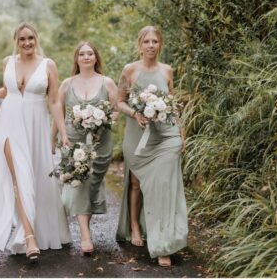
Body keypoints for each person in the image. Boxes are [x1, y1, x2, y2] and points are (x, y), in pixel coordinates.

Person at [0, 23, 71, 262]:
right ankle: (29, 237)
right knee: (19, 176)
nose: (27, 43)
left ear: (37, 38)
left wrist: (62, 133)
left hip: (36, 125)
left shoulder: (48, 65)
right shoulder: (8, 62)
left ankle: (43, 230)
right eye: (22, 39)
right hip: (10, 122)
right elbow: (7, 90)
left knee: (37, 176)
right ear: (16, 40)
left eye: (30, 38)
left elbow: (55, 101)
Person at [115, 26, 188, 267]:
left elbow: (173, 104)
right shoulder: (130, 71)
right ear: (139, 45)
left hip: (166, 137)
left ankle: (162, 245)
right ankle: (135, 226)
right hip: (138, 138)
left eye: (155, 41)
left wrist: (181, 133)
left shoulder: (167, 70)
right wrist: (135, 113)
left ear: (160, 45)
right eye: (146, 41)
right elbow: (119, 102)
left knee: (163, 188)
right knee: (136, 183)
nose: (150, 45)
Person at [58, 41, 119, 255]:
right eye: (82, 54)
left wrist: (101, 122)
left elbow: (116, 109)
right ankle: (85, 234)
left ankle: (85, 228)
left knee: (91, 184)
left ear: (95, 57)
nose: (86, 57)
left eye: (90, 53)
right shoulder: (66, 84)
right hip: (74, 142)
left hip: (101, 142)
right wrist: (58, 136)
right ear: (76, 58)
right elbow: (58, 111)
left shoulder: (107, 82)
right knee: (78, 184)